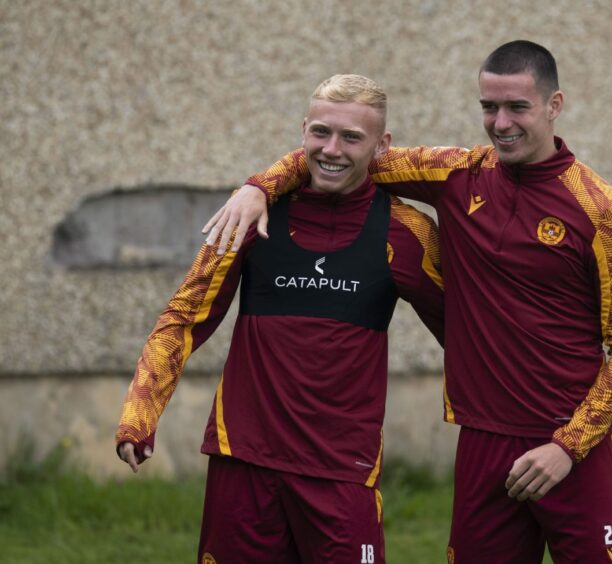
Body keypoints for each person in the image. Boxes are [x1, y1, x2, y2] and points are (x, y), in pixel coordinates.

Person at [203, 40, 612, 563]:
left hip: (573, 449)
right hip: (483, 440)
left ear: (554, 106)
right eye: (489, 106)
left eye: (517, 107)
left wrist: (572, 442)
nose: (500, 122)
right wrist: (256, 187)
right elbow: (341, 151)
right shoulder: (457, 174)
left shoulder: (605, 209)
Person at [115, 74, 445, 564]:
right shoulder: (250, 216)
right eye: (320, 132)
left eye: (352, 137)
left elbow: (469, 336)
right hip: (243, 460)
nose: (332, 149)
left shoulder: (408, 232)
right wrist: (139, 415)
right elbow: (183, 319)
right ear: (303, 131)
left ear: (383, 145)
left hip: (342, 470)